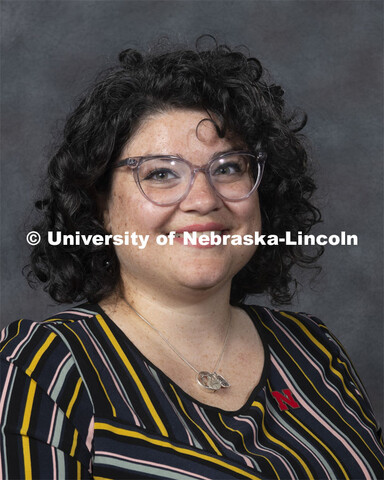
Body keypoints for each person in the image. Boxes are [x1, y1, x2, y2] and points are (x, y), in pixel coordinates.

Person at [1, 39, 383, 480]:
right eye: (161, 174)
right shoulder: (42, 367)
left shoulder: (313, 349)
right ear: (98, 203)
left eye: (228, 167)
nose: (203, 200)